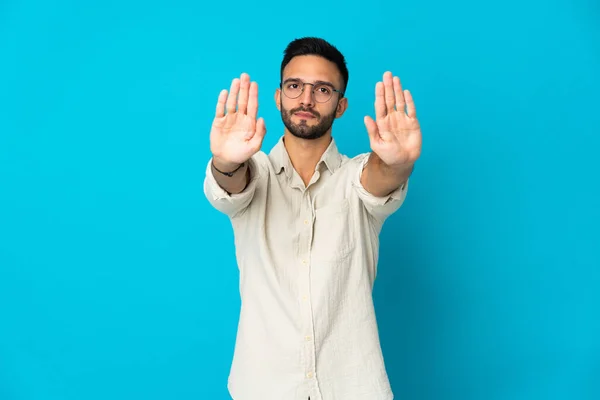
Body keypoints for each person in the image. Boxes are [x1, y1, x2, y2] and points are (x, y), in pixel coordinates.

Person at [203, 37, 422, 400]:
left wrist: (398, 163)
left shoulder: (356, 177)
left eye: (322, 89)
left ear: (341, 106)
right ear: (278, 97)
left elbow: (379, 180)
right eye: (294, 86)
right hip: (264, 387)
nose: (306, 99)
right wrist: (226, 162)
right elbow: (231, 184)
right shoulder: (252, 172)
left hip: (353, 387)